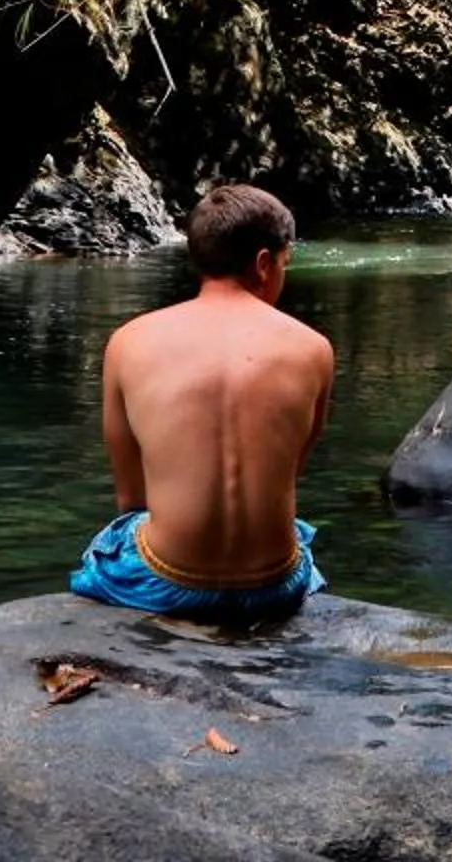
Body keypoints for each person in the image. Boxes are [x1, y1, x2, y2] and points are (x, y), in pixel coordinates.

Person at [68, 182, 336, 622]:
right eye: (286, 263)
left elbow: (131, 498)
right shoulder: (314, 349)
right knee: (298, 532)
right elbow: (288, 473)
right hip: (275, 586)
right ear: (264, 263)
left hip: (166, 582)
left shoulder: (128, 342)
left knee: (116, 535)